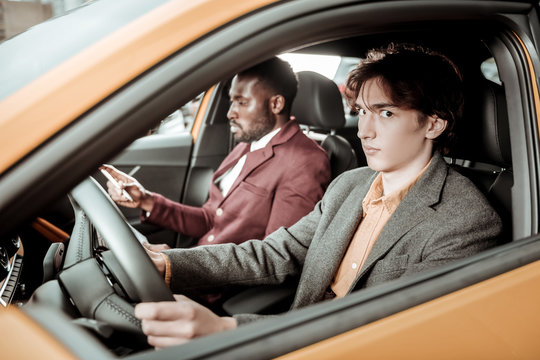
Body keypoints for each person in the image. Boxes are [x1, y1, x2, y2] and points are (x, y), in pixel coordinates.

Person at [133, 44, 503, 349]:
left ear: (434, 123)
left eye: (385, 113)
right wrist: (172, 265)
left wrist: (229, 331)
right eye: (361, 112)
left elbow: (387, 334)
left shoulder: (466, 221)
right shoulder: (350, 184)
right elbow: (274, 252)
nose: (364, 131)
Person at [103, 57, 331, 250]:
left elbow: (274, 258)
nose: (230, 113)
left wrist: (174, 263)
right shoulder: (248, 144)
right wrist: (146, 200)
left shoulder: (305, 162)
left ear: (276, 104)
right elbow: (211, 220)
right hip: (200, 265)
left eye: (241, 102)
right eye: (232, 101)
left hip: (223, 293)